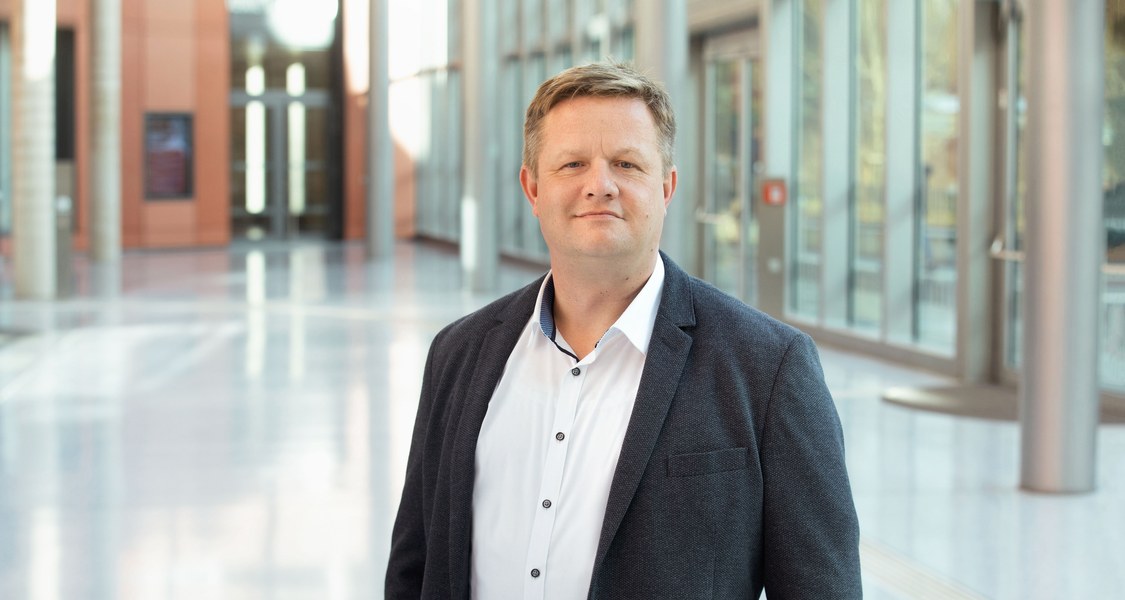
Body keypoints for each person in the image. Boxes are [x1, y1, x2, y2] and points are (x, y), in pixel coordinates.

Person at [386, 61, 861, 599]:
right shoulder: (458, 352)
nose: (600, 185)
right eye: (572, 164)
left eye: (627, 164)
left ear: (667, 187)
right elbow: (414, 565)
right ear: (532, 188)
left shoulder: (769, 368)